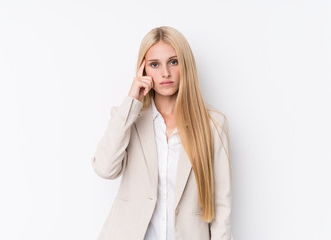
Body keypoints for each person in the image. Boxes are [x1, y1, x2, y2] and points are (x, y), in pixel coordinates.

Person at [91, 26, 233, 240]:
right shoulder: (129, 118)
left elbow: (221, 205)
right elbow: (104, 169)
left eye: (173, 62)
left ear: (185, 65)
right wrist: (132, 100)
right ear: (143, 70)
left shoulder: (213, 124)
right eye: (154, 65)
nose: (165, 73)